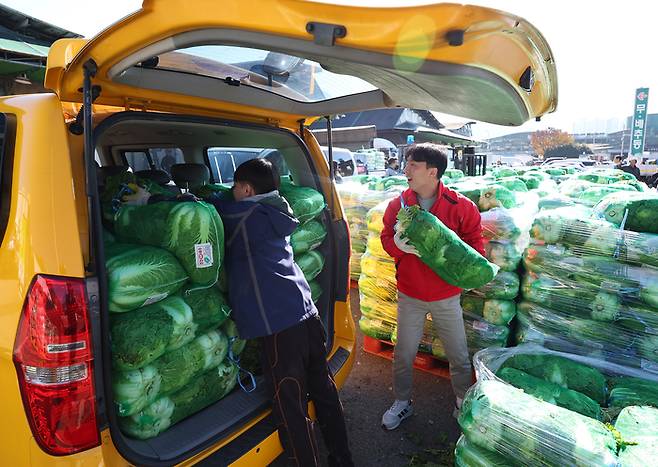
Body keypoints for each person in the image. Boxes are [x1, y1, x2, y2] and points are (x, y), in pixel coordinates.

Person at [209, 159, 353, 467]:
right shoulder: (277, 209)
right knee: (324, 391)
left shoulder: (243, 216)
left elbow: (209, 210)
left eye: (235, 187)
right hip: (305, 311)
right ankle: (343, 459)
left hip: (278, 326)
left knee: (290, 406)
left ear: (246, 189)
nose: (232, 192)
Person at [379, 143, 484, 430]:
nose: (405, 170)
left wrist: (463, 266)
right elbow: (386, 237)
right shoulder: (398, 205)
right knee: (403, 353)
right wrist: (398, 247)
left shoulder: (461, 207)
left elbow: (477, 247)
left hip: (446, 296)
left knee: (459, 356)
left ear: (432, 171)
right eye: (406, 164)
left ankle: (462, 401)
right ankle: (402, 402)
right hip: (410, 294)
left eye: (412, 165)